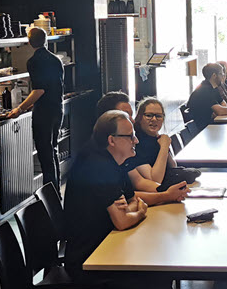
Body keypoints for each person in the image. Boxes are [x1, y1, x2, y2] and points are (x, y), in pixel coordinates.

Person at [63, 111, 188, 273]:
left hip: (107, 245)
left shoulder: (115, 159)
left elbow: (132, 198)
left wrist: (166, 196)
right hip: (90, 260)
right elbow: (122, 221)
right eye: (130, 136)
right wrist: (140, 212)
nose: (135, 140)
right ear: (112, 140)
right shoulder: (99, 166)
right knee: (157, 272)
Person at [6, 27, 64, 187]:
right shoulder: (56, 59)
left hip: (44, 113)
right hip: (58, 110)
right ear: (45, 40)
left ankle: (50, 194)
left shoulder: (34, 62)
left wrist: (20, 108)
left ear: (30, 42)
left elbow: (39, 90)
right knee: (53, 151)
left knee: (45, 155)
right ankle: (56, 190)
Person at [128, 97, 200, 190]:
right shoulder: (137, 142)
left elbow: (173, 166)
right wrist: (164, 147)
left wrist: (164, 145)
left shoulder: (155, 137)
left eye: (158, 116)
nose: (154, 119)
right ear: (140, 118)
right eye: (149, 115)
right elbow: (155, 180)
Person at [186, 62, 227, 130]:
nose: (223, 76)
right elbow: (220, 111)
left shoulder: (213, 88)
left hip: (210, 125)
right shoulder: (204, 90)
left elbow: (224, 105)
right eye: (221, 74)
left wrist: (220, 110)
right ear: (214, 75)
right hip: (204, 128)